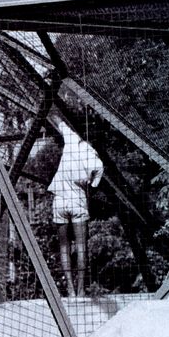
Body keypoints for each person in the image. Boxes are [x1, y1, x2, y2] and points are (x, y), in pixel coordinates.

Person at [47, 113, 103, 297]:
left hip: (59, 200)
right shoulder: (97, 162)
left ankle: (70, 290)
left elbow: (57, 119)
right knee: (81, 246)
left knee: (64, 246)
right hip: (78, 202)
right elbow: (93, 188)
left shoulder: (72, 139)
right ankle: (80, 290)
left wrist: (49, 110)